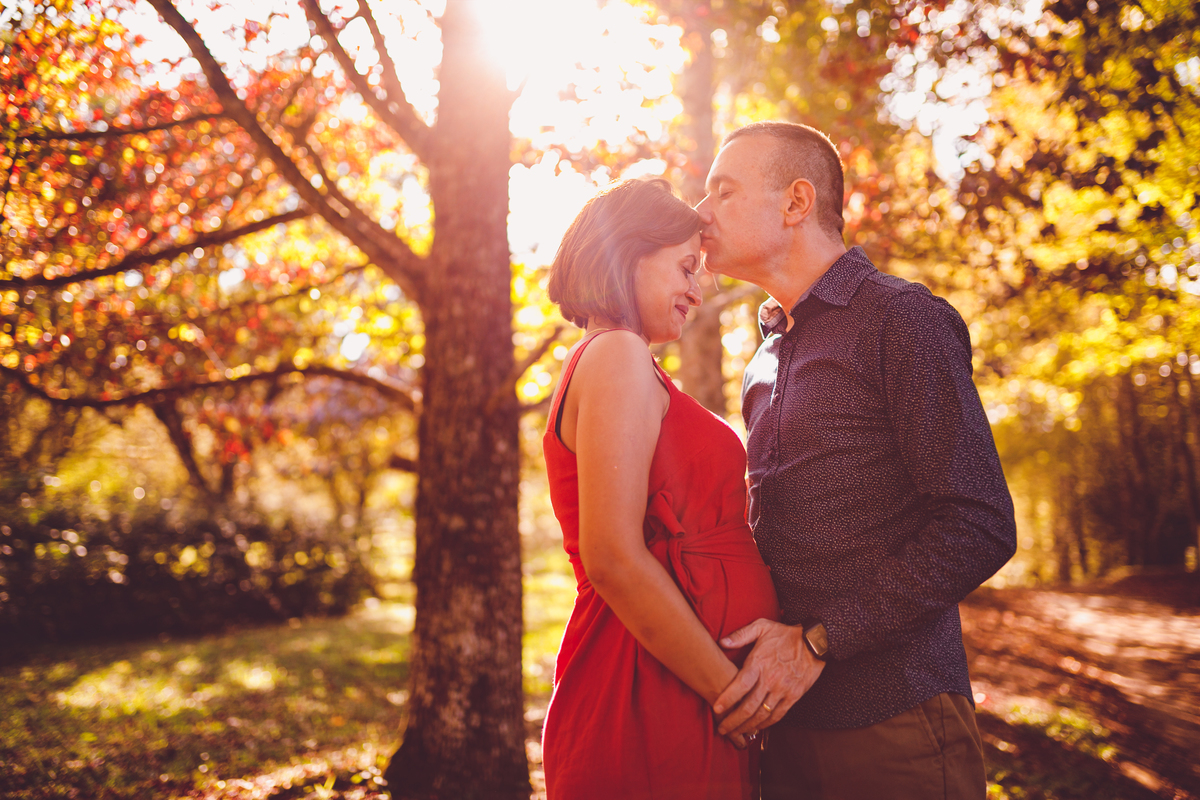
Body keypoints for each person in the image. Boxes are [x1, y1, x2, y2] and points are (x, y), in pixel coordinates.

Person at [694, 121, 1017, 800]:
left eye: (722, 192)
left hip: (895, 721)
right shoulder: (763, 358)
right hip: (784, 728)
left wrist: (819, 641)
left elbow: (979, 521)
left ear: (795, 202)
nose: (700, 214)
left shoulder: (902, 320)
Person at [539, 176, 780, 800]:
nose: (696, 292)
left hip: (673, 679)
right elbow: (614, 558)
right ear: (627, 252)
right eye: (684, 268)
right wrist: (731, 695)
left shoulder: (626, 361)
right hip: (648, 686)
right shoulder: (615, 352)